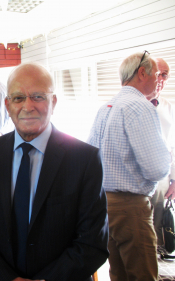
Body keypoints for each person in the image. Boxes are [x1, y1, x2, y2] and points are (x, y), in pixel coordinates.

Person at [0, 62, 109, 281]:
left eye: (38, 96)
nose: (28, 106)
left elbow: (93, 242)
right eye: (18, 98)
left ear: (53, 102)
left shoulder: (84, 159)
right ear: (7, 105)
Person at [87, 51, 171, 281]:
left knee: (119, 274)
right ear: (142, 73)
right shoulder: (140, 106)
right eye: (157, 74)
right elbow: (156, 168)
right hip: (131, 207)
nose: (159, 80)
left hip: (105, 204)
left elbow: (89, 159)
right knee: (143, 274)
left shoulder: (106, 108)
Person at [150, 58, 175, 251]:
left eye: (164, 74)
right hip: (135, 182)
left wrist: (174, 179)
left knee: (157, 229)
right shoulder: (132, 104)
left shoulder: (168, 107)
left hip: (162, 180)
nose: (160, 78)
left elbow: (173, 145)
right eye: (157, 72)